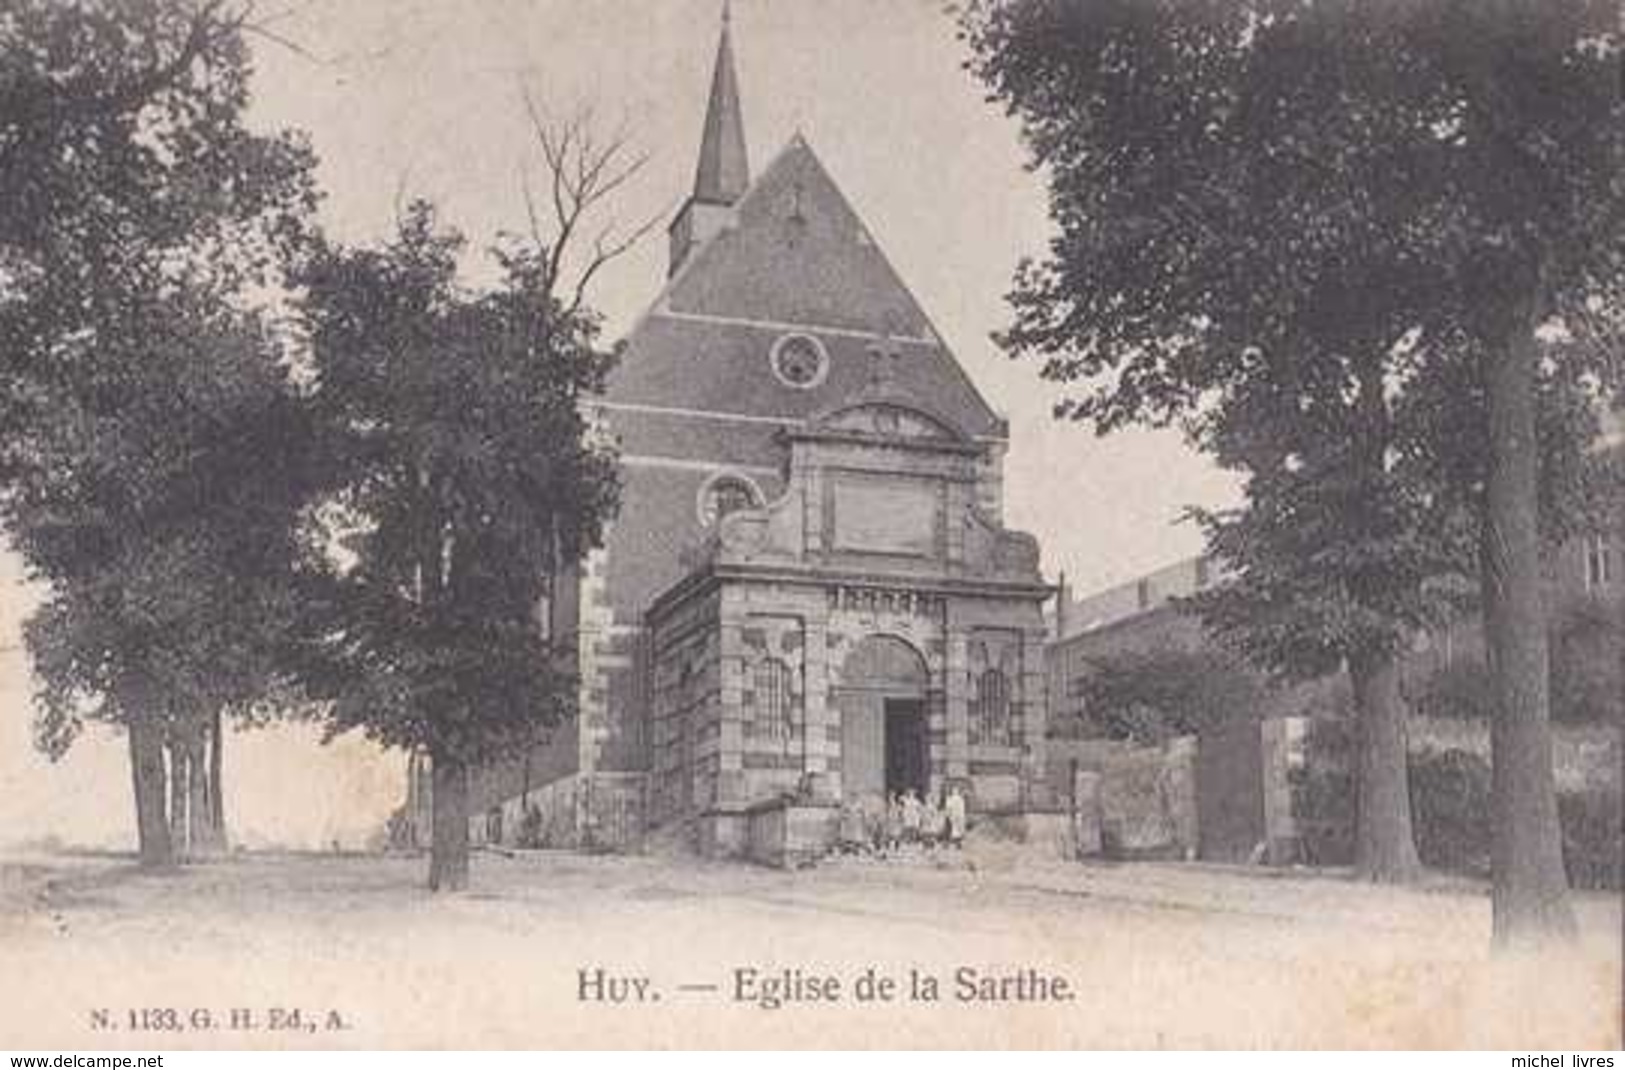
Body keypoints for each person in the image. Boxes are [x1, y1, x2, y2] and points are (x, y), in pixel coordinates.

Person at [944, 783, 967, 849]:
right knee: (952, 829)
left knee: (958, 829)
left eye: (956, 790)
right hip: (953, 815)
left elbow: (962, 808)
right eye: (954, 790)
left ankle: (958, 843)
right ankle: (949, 843)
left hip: (958, 816)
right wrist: (949, 814)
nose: (955, 791)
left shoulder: (960, 799)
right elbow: (948, 808)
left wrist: (961, 816)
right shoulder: (950, 799)